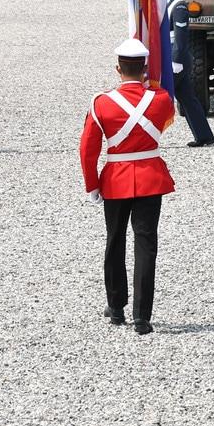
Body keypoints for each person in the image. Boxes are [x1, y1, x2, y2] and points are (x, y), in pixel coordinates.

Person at [78, 38, 176, 336]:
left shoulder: (101, 102)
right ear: (145, 69)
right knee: (146, 245)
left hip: (116, 178)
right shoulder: (161, 99)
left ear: (118, 69)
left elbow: (88, 149)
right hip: (150, 176)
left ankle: (116, 306)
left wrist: (92, 184)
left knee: (115, 240)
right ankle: (142, 316)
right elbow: (166, 121)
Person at [165, 0, 214, 147]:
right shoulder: (171, 4)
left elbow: (180, 38)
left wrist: (176, 62)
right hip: (174, 57)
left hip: (177, 58)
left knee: (161, 96)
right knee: (188, 99)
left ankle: (148, 136)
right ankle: (204, 136)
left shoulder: (179, 7)